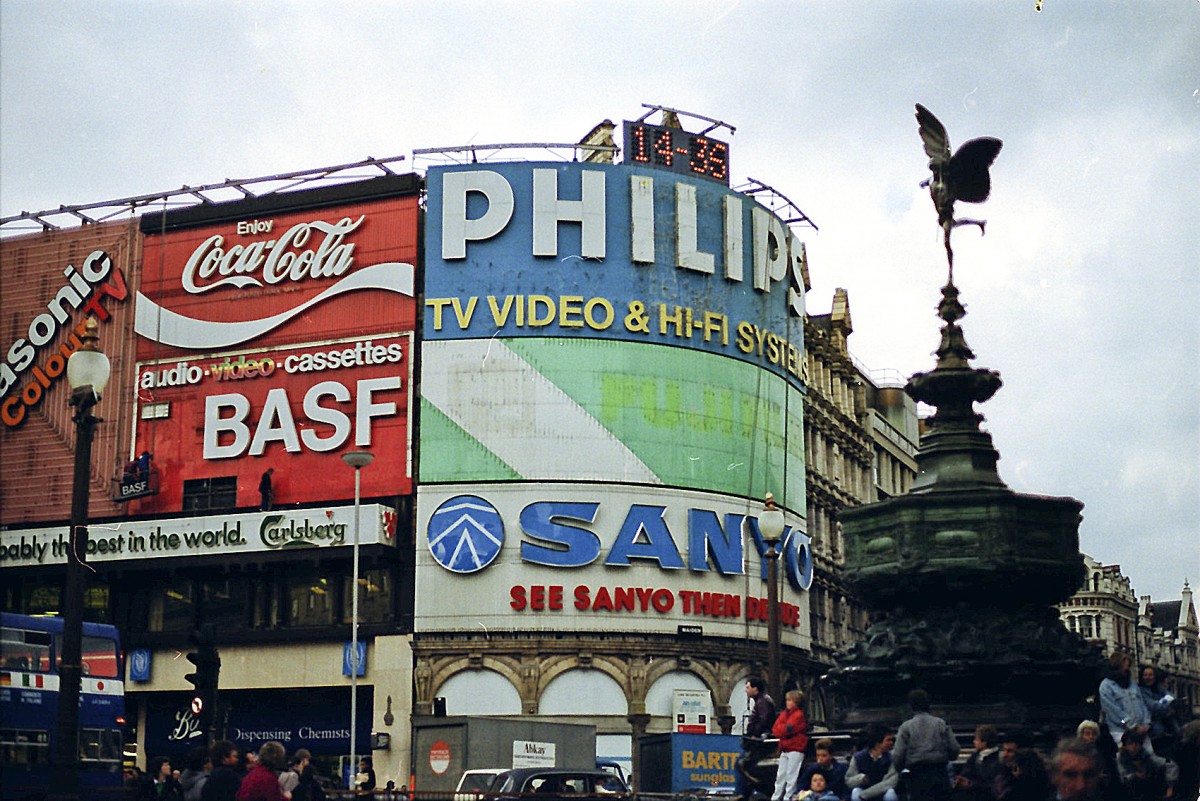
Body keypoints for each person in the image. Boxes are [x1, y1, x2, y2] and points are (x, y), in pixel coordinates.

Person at [891, 689, 958, 801]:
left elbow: (898, 755)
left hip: (917, 776)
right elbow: (954, 749)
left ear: (911, 706)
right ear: (928, 704)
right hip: (939, 773)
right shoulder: (940, 723)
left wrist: (901, 769)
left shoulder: (906, 727)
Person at [1099, 652, 1153, 755]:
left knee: (1150, 757)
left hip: (1141, 731)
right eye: (1126, 666)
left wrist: (1146, 723)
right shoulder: (1106, 686)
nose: (1128, 669)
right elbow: (1113, 711)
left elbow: (1142, 704)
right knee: (1127, 759)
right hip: (1121, 732)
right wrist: (1131, 725)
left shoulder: (1132, 684)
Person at [736, 677, 778, 797]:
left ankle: (742, 793)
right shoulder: (762, 700)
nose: (746, 691)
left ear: (755, 688)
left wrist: (755, 734)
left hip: (759, 742)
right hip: (758, 739)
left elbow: (764, 720)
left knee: (741, 763)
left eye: (748, 687)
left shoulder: (763, 701)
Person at [1115, 729, 1178, 800]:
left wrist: (1170, 786)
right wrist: (1134, 776)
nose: (1134, 747)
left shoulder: (1146, 755)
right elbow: (1122, 778)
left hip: (1150, 790)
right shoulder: (1120, 759)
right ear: (1124, 746)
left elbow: (1169, 763)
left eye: (1137, 743)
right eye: (1130, 743)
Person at [771, 689, 809, 801]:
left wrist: (782, 730)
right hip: (786, 747)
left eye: (790, 700)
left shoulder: (798, 715)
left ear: (796, 702)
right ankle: (776, 797)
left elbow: (785, 729)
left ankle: (788, 798)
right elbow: (776, 729)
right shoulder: (785, 714)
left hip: (795, 748)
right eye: (787, 700)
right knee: (781, 776)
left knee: (791, 776)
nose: (788, 702)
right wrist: (783, 730)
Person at [1138, 664, 1181, 758]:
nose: (1148, 677)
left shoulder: (1159, 689)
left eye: (1150, 675)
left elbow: (1171, 697)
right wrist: (1167, 708)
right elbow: (1153, 706)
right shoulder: (1140, 691)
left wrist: (1165, 705)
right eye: (1145, 675)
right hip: (1154, 730)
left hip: (1170, 727)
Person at [846, 725, 898, 801]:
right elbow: (848, 781)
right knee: (855, 792)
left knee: (890, 794)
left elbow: (890, 783)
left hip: (881, 792)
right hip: (864, 789)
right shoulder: (858, 757)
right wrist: (860, 779)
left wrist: (865, 795)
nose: (891, 743)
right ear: (877, 742)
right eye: (888, 740)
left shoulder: (892, 758)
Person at [950, 723, 1001, 801]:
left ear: (984, 742)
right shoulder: (976, 754)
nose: (974, 742)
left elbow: (990, 783)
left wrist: (971, 784)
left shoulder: (997, 760)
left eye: (976, 739)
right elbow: (967, 769)